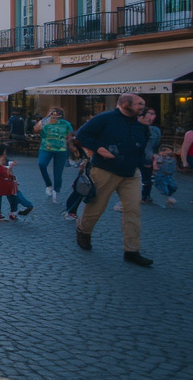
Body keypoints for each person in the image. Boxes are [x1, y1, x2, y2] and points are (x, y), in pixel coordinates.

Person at [73, 93, 152, 266]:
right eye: (139, 104)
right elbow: (81, 135)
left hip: (131, 172)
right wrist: (98, 148)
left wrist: (144, 164)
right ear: (125, 104)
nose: (142, 107)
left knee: (133, 210)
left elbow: (142, 145)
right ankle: (83, 230)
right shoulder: (105, 118)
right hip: (105, 170)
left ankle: (132, 251)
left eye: (143, 104)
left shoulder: (140, 124)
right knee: (96, 207)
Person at [0, 143, 34, 220]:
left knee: (6, 193)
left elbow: (4, 173)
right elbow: (5, 173)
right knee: (12, 192)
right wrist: (10, 171)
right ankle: (14, 211)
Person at [33, 108, 72, 202]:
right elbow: (35, 129)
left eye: (57, 114)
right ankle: (48, 185)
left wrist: (71, 150)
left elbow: (69, 137)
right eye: (52, 114)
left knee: (58, 172)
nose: (55, 116)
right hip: (45, 148)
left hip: (61, 150)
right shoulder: (45, 122)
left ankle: (56, 190)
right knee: (41, 164)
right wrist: (45, 120)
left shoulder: (66, 124)